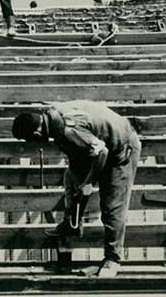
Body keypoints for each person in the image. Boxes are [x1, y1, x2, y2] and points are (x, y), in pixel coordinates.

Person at [11, 101, 141, 278]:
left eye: (32, 139)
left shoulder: (68, 130)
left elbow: (101, 153)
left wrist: (88, 183)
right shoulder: (53, 116)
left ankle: (113, 259)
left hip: (120, 151)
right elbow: (77, 151)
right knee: (70, 177)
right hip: (101, 145)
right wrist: (78, 182)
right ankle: (72, 224)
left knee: (112, 208)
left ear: (36, 133)